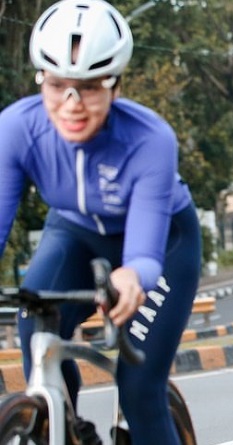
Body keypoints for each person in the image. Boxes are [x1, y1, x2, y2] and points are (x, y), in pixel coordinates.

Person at [0, 1, 201, 443]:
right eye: (57, 86)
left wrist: (133, 277)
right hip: (74, 235)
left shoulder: (151, 138)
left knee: (138, 388)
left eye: (89, 88)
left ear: (115, 85)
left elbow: (144, 254)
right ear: (42, 81)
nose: (71, 104)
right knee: (36, 332)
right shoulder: (16, 128)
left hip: (164, 245)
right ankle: (64, 426)